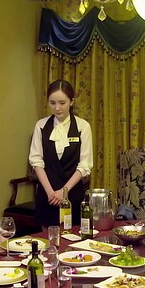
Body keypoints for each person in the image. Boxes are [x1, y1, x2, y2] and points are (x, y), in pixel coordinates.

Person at [29, 79, 93, 227]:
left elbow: (85, 165)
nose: (57, 108)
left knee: (72, 236)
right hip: (47, 195)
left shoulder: (83, 127)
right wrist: (51, 193)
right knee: (46, 237)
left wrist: (63, 192)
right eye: (52, 103)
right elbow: (36, 161)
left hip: (72, 194)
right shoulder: (41, 126)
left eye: (62, 103)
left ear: (71, 101)